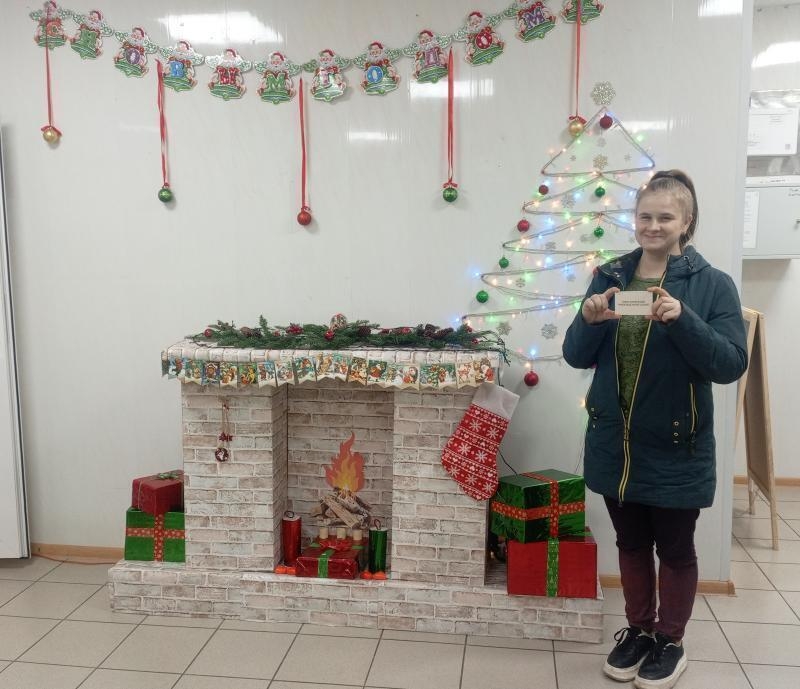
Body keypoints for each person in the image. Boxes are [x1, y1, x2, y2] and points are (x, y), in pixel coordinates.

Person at [562, 170, 747, 689]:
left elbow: (730, 363)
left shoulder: (711, 284)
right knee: (630, 542)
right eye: (645, 216)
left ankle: (670, 641)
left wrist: (683, 319)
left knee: (677, 548)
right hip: (614, 443)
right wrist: (588, 320)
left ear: (686, 222)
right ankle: (640, 631)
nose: (653, 225)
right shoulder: (610, 275)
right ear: (635, 219)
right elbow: (575, 354)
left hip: (676, 446)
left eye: (666, 217)